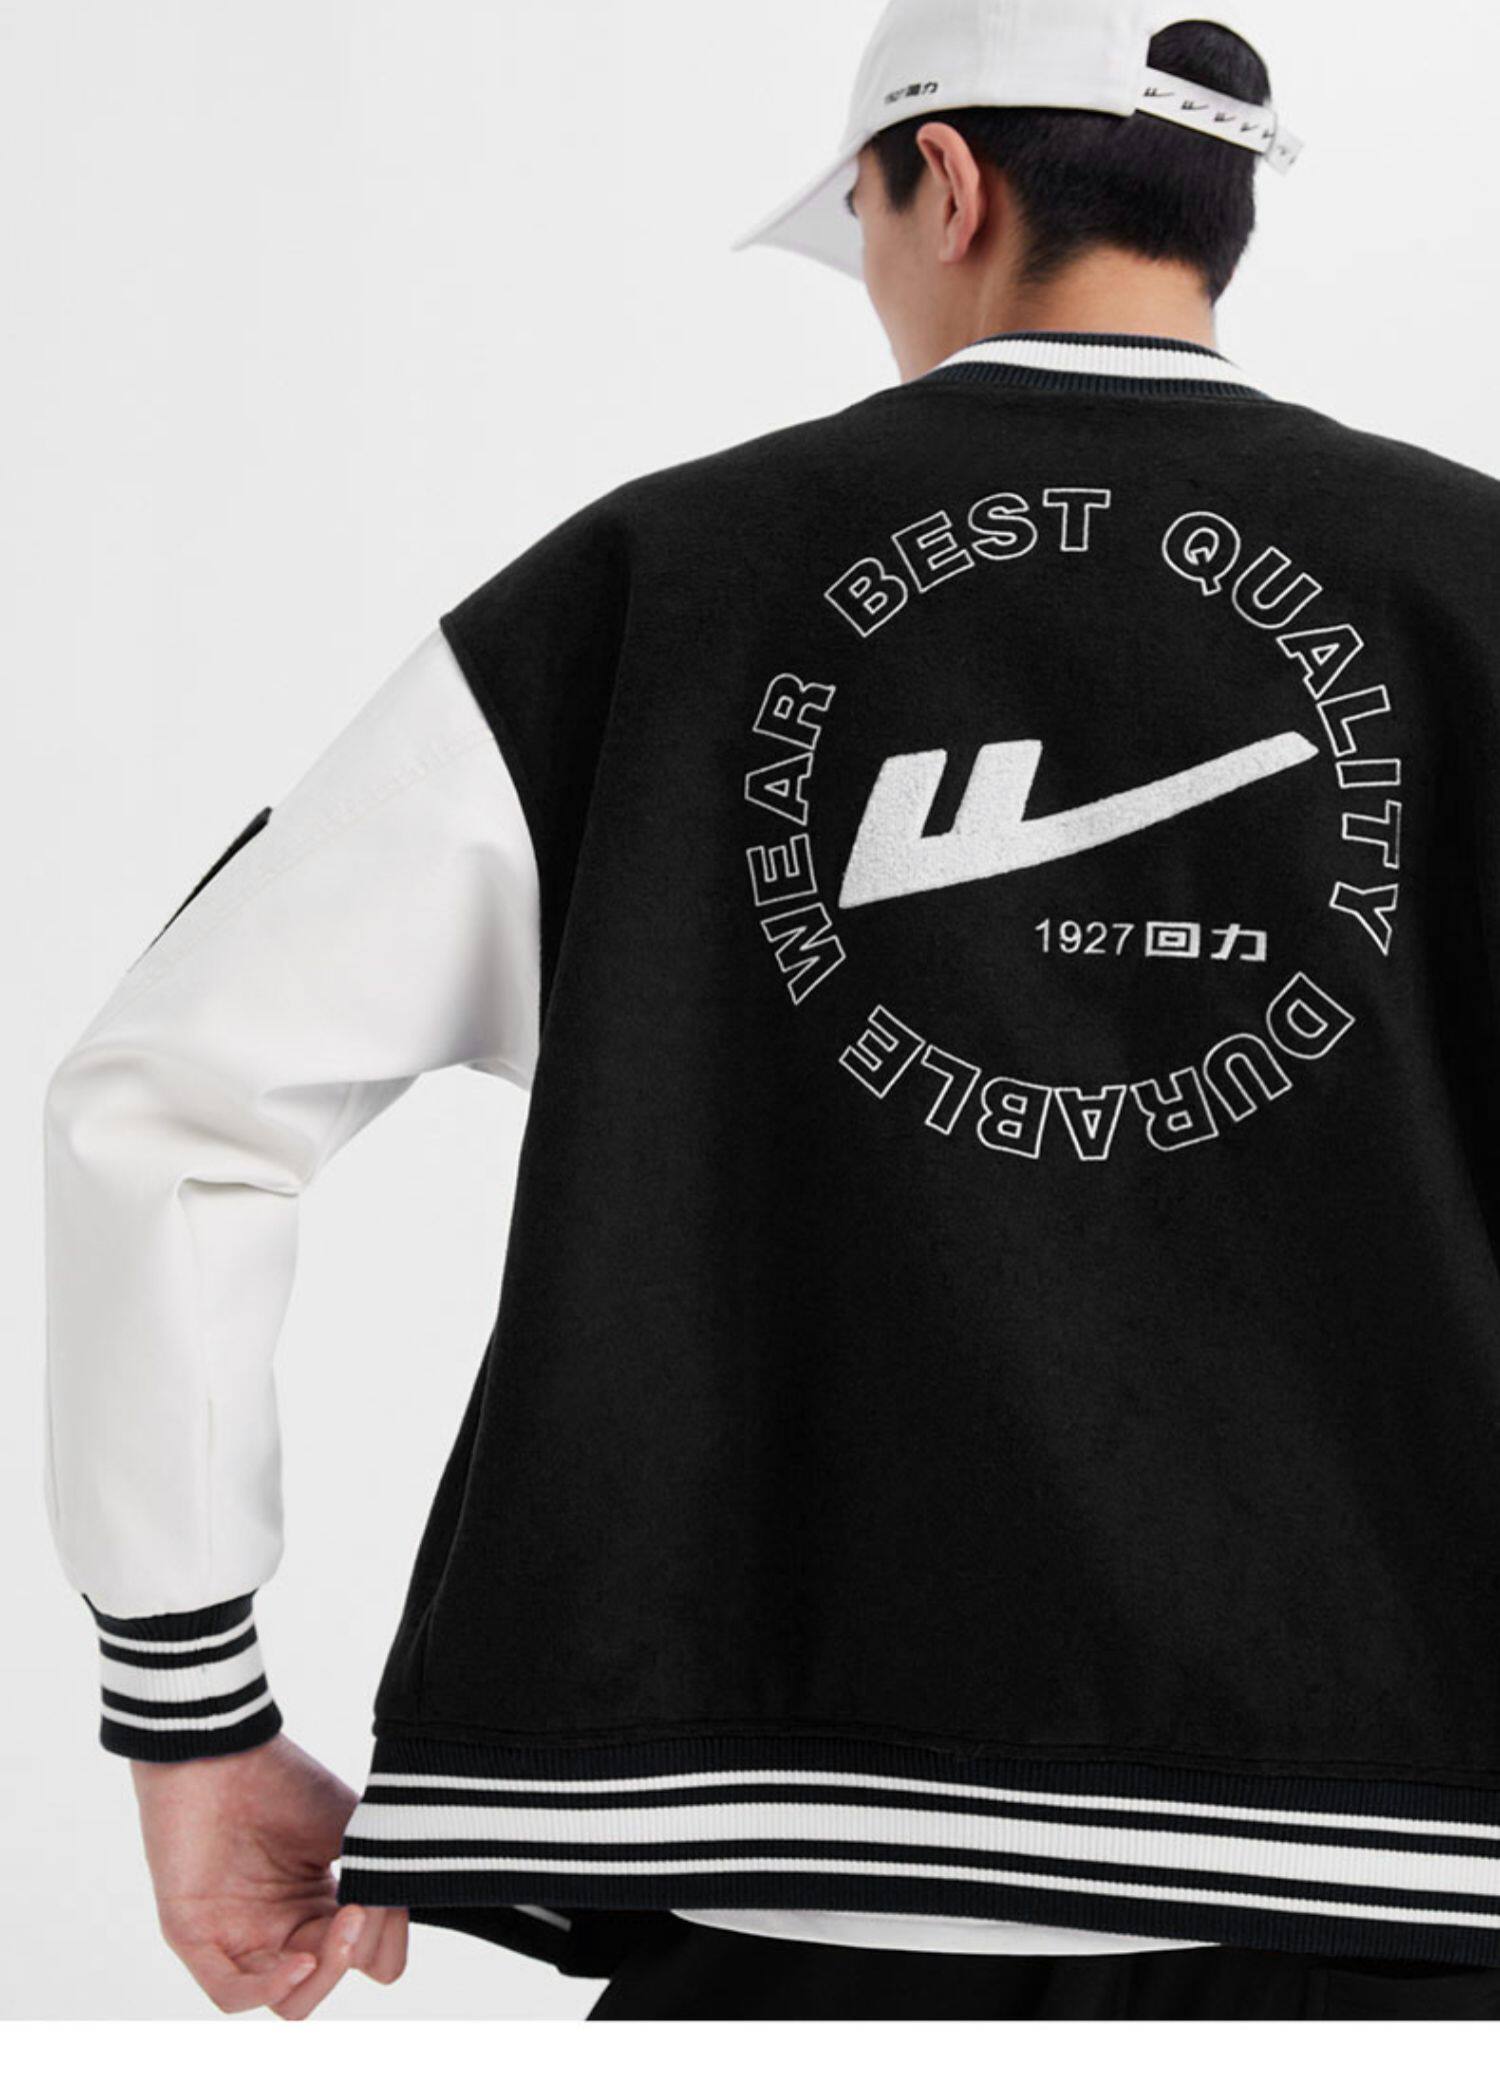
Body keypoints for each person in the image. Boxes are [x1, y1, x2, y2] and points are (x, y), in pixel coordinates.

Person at [43, 0, 1500, 2024]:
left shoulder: (656, 585)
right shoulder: (1476, 583)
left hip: (780, 1868)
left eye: (868, 225)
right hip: (1411, 1864)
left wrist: (190, 1710)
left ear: (948, 186)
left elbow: (170, 1097)